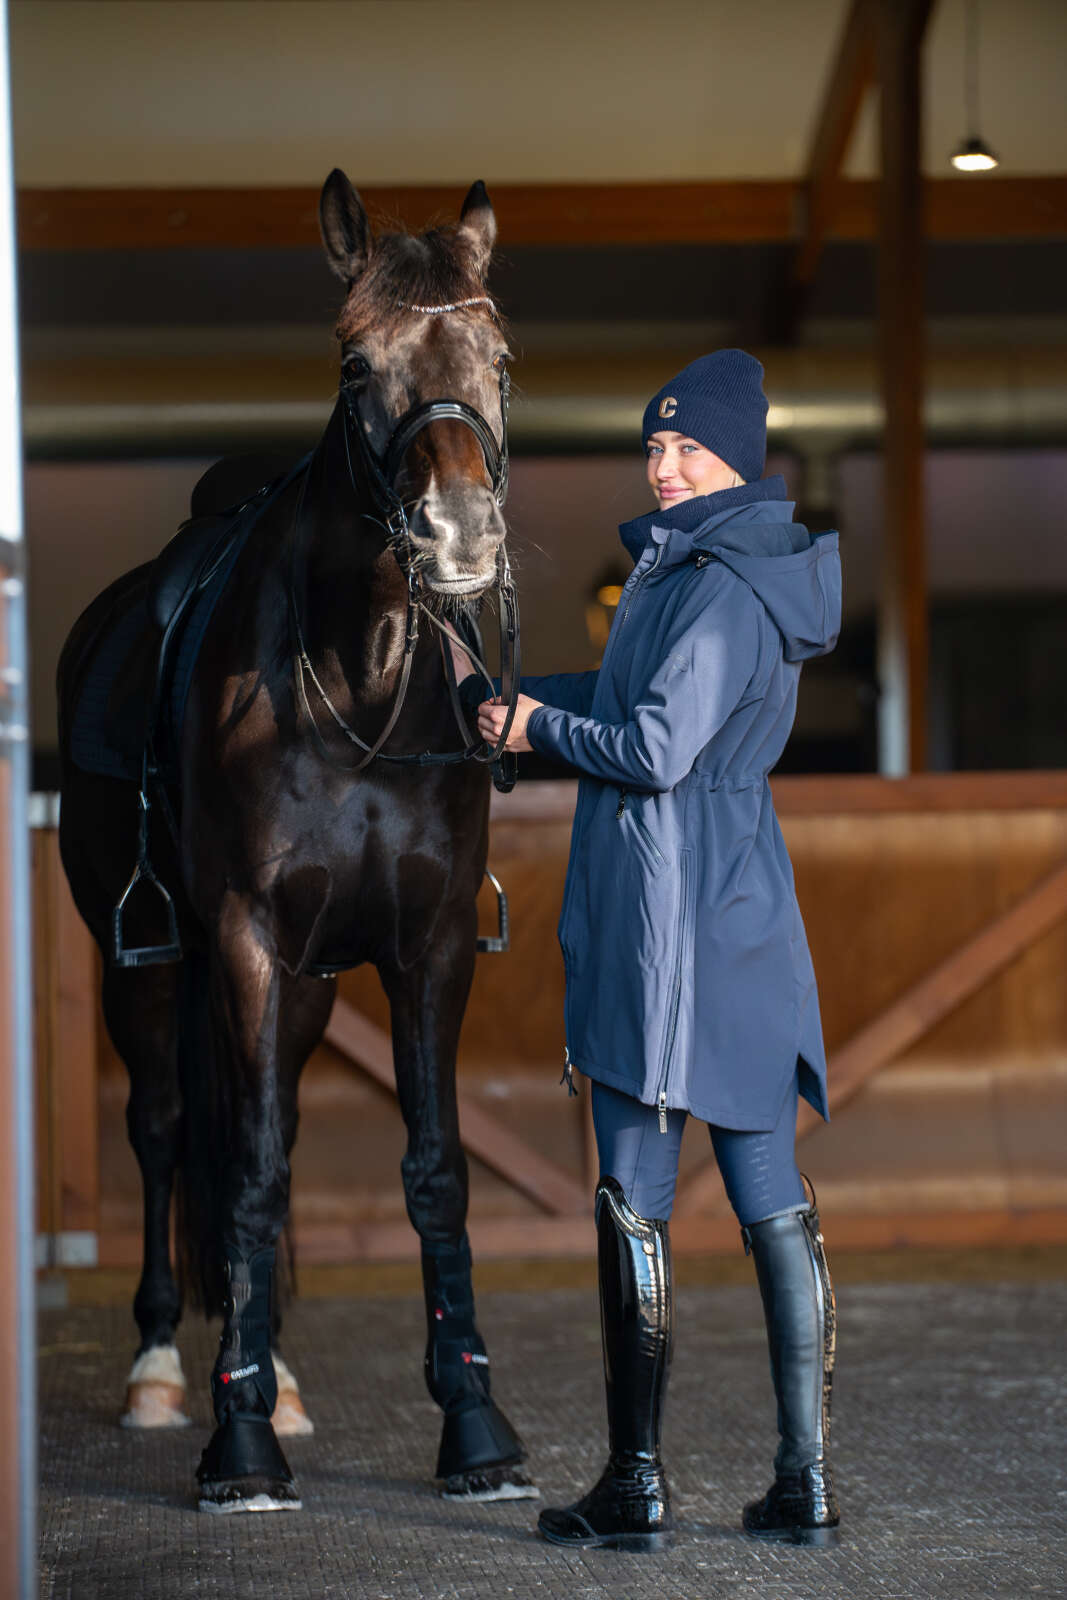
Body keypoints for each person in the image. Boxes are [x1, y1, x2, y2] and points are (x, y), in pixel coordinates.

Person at [454, 349, 842, 1550]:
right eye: (651, 447)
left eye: (683, 446)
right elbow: (625, 697)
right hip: (736, 907)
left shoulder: (719, 582)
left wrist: (535, 726)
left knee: (638, 1194)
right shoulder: (707, 573)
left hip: (670, 919)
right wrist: (507, 699)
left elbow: (657, 746)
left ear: (734, 455)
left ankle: (639, 1478)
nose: (662, 466)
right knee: (768, 1197)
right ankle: (801, 1480)